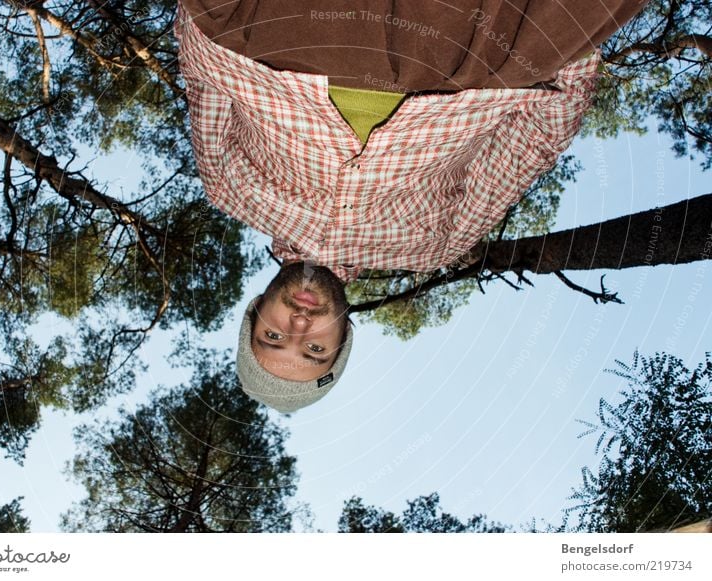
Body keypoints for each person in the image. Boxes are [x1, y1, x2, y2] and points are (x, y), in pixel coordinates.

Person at [174, 1, 647, 412]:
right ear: (342, 338)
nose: (299, 325)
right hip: (467, 54)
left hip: (289, 36)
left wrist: (241, 29)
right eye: (315, 349)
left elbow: (201, 73)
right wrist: (562, 51)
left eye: (273, 337)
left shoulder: (229, 189)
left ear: (255, 312)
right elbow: (530, 145)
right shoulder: (430, 250)